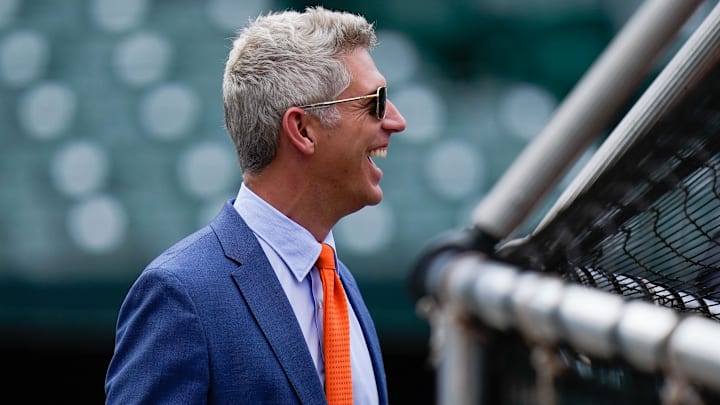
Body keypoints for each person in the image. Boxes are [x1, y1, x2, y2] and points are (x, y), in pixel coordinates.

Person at [104, 5, 406, 405]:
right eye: (375, 101)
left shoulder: (339, 284)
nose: (396, 121)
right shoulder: (181, 294)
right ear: (302, 130)